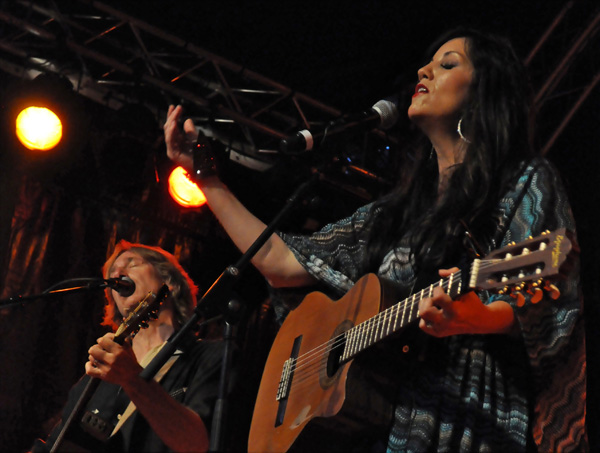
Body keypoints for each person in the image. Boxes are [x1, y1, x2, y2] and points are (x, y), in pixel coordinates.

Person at [165, 27, 587, 452]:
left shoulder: (523, 181)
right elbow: (279, 261)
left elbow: (553, 294)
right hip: (380, 424)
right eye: (430, 62)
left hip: (464, 414)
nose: (424, 69)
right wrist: (205, 178)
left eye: (447, 64)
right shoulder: (396, 211)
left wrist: (478, 317)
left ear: (484, 92)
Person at [32, 241, 224, 453]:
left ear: (170, 282)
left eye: (132, 264)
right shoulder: (96, 376)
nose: (118, 272)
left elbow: (197, 445)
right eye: (113, 271)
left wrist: (132, 379)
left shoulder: (210, 357)